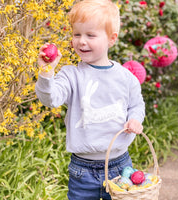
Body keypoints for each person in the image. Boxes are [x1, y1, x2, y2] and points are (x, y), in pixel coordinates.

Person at [35, 0, 145, 199]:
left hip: (121, 166)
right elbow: (50, 99)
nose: (81, 41)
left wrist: (135, 119)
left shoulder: (125, 77)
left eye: (90, 35)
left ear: (111, 39)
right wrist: (46, 72)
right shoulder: (71, 75)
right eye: (77, 34)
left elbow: (136, 105)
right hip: (82, 170)